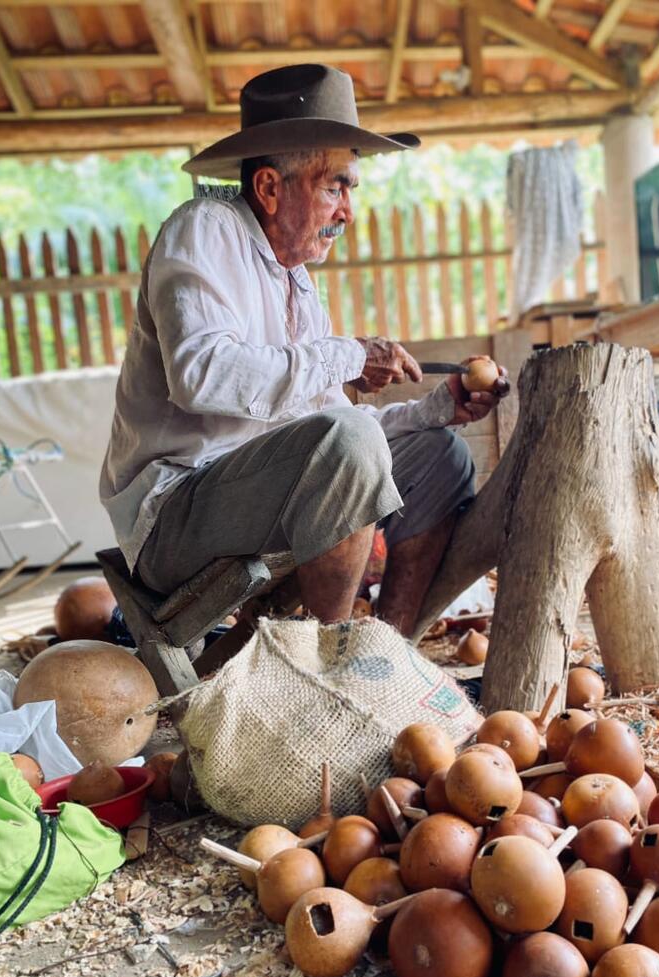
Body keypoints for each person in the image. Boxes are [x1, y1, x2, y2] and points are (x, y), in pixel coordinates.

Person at [100, 64, 507, 647]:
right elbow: (201, 376)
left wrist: (433, 410)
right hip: (174, 516)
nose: (347, 211)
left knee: (441, 456)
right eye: (333, 186)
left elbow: (328, 431)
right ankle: (329, 669)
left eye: (349, 189)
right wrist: (347, 355)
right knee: (347, 441)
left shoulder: (297, 283)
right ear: (269, 187)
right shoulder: (204, 230)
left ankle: (382, 654)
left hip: (267, 495)